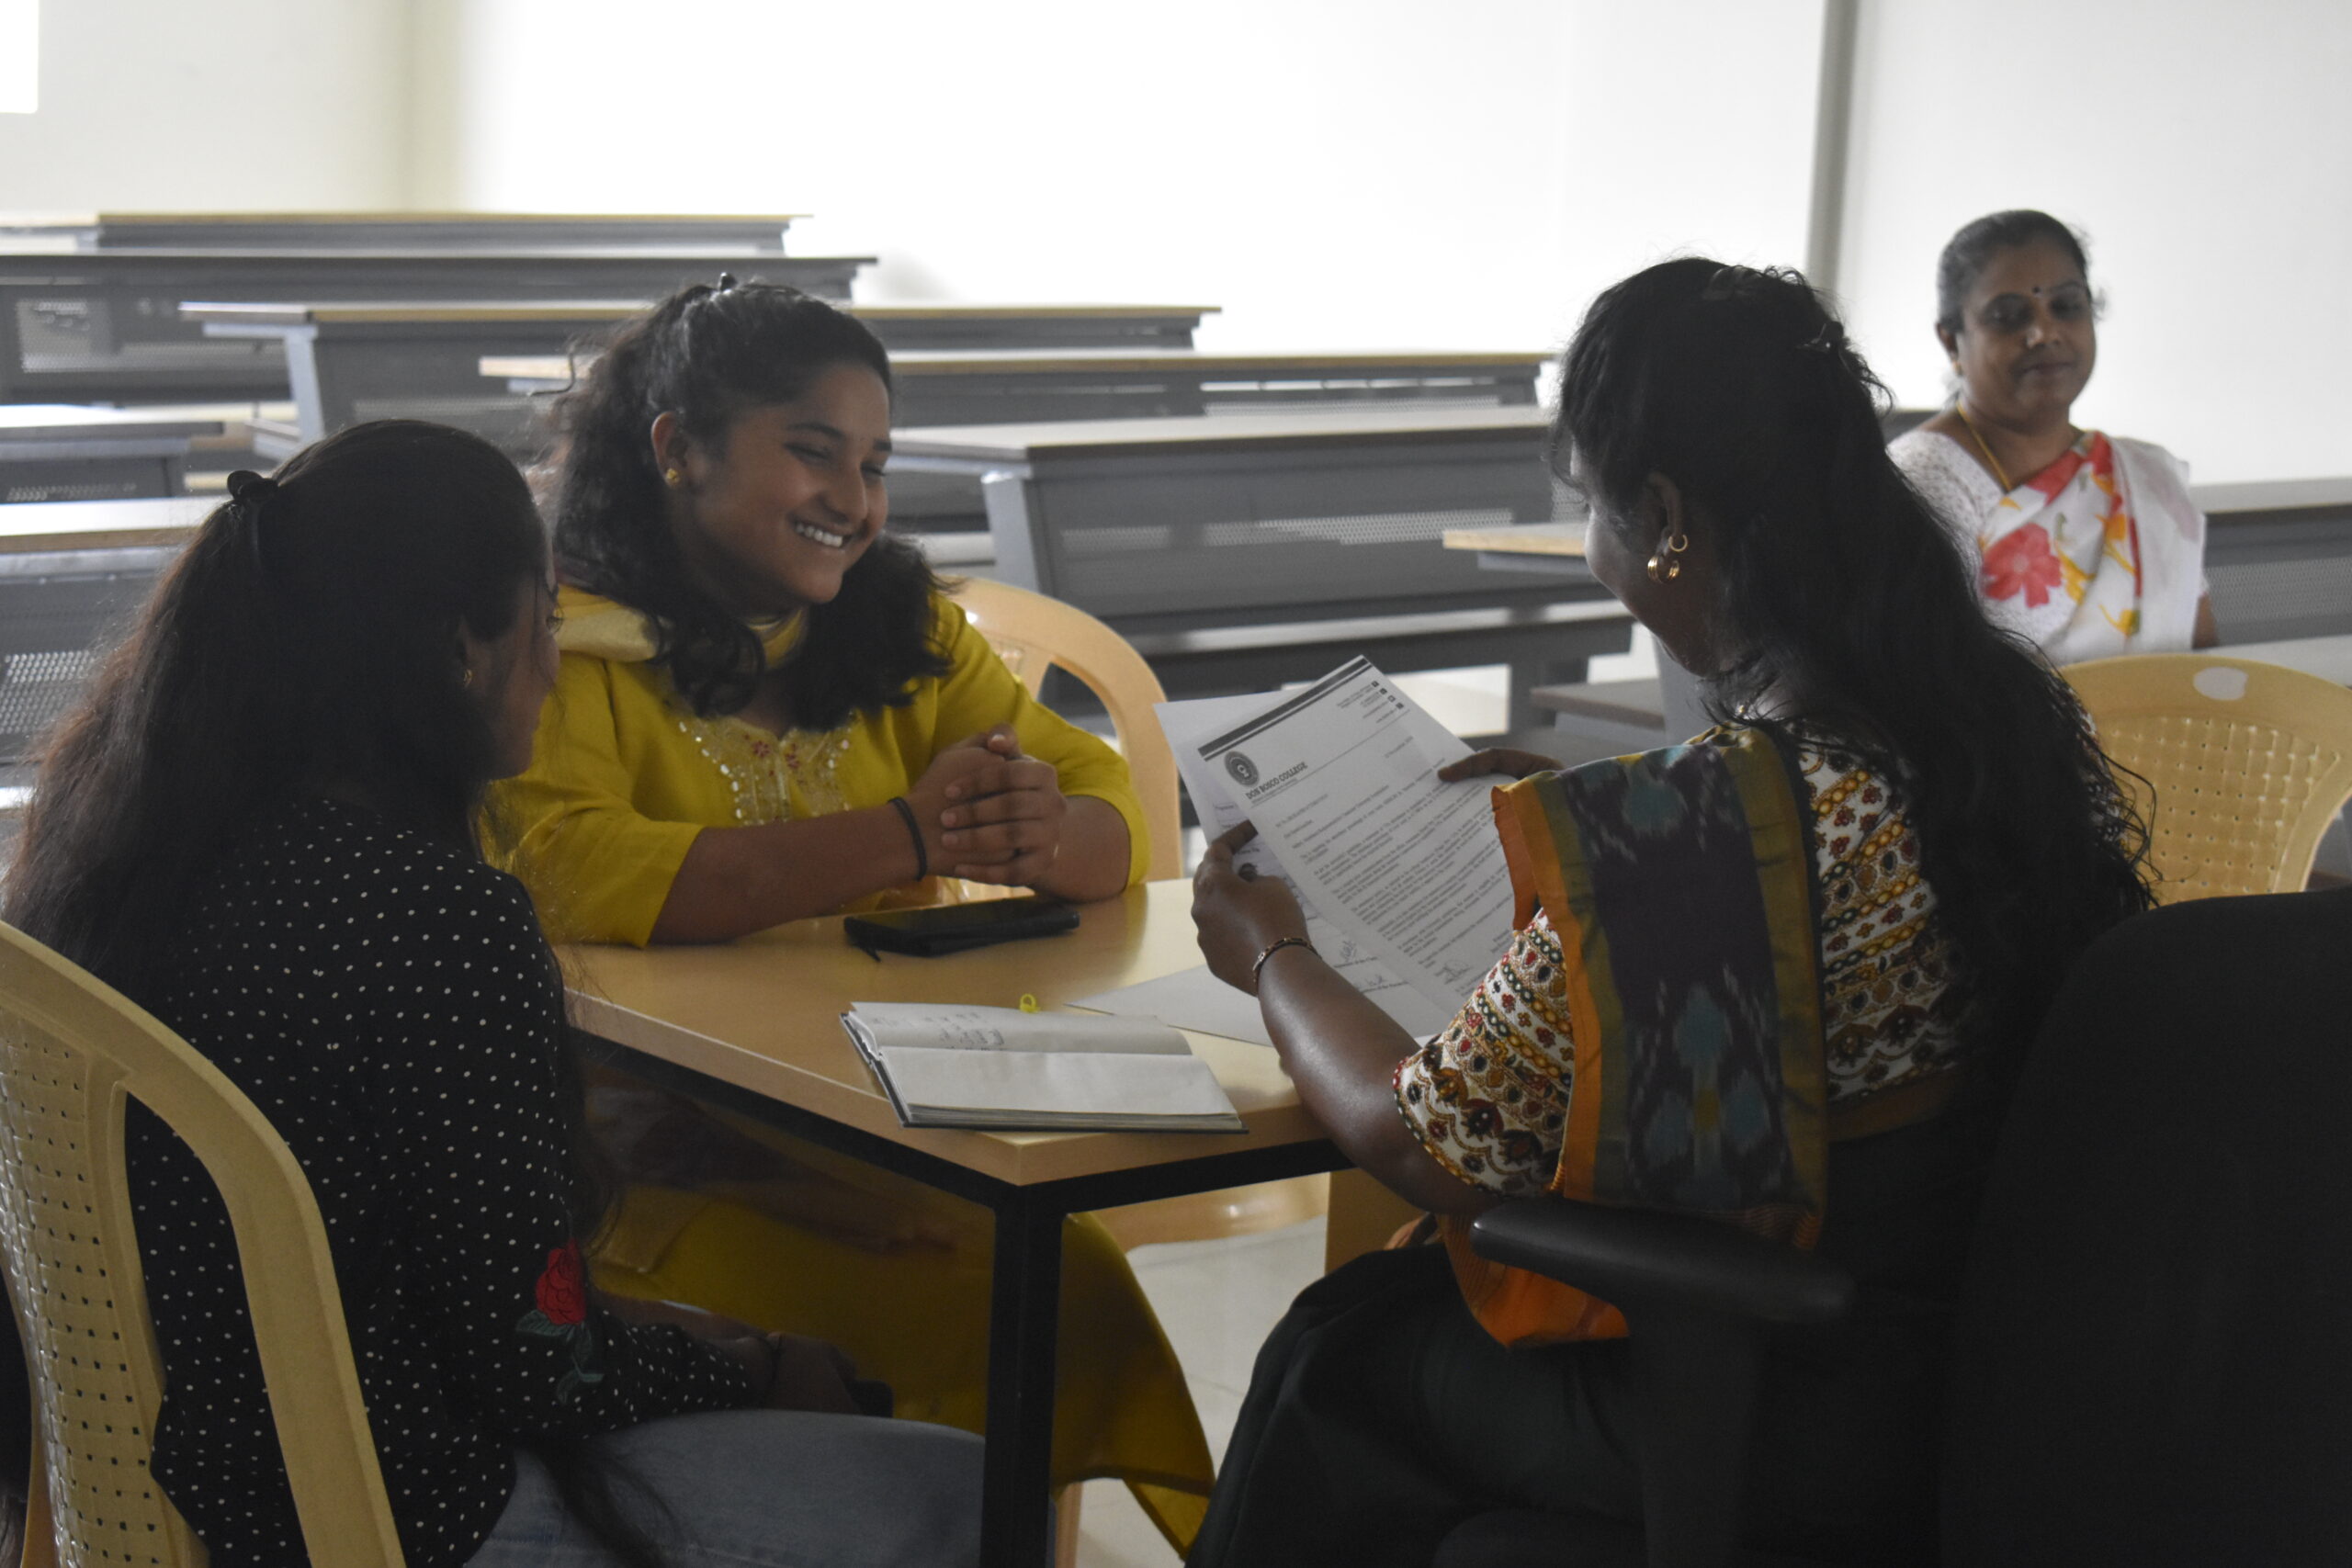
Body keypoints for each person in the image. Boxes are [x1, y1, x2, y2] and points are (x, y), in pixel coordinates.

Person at [1185, 260, 2154, 1566]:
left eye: (1592, 504)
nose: (1597, 545)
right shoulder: (1977, 726)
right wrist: (1607, 841)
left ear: (1664, 515)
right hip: (1968, 1372)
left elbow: (1424, 1140)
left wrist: (1274, 952)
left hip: (1755, 1406)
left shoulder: (1714, 825)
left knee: (1338, 1347)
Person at [2, 422, 982, 1568]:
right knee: (960, 1487)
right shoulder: (433, 918)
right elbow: (537, 1367)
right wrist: (754, 1363)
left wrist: (694, 1342)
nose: (557, 662)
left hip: (140, 1485)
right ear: (464, 645)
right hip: (367, 1514)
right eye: (547, 620)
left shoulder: (105, 852)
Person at [493, 280, 1212, 1551]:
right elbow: (583, 867)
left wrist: (1045, 830)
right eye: (811, 452)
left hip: (892, 1115)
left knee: (1065, 1283)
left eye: (873, 463)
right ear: (676, 447)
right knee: (1001, 1295)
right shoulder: (567, 645)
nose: (855, 500)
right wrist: (912, 835)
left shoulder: (898, 628)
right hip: (643, 1158)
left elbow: (1101, 798)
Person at [1890, 209, 2219, 660]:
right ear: (1952, 342)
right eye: (2008, 316)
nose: (2044, 332)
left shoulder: (2144, 478)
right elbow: (1925, 673)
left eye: (2065, 307)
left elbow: (2204, 663)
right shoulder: (1927, 477)